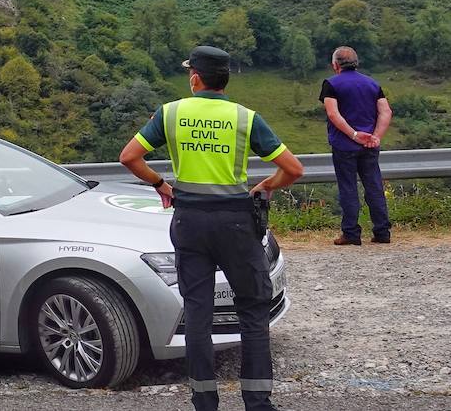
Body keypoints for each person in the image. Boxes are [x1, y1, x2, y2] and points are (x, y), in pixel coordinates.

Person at [119, 45, 305, 411]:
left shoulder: (170, 113)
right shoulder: (245, 118)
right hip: (236, 222)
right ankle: (258, 402)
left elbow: (129, 157)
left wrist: (161, 185)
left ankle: (204, 402)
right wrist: (265, 185)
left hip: (189, 221)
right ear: (225, 80)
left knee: (198, 314)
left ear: (194, 78)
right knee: (253, 310)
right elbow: (294, 169)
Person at [321, 45, 393, 245]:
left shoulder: (331, 84)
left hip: (344, 145)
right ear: (356, 63)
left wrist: (353, 134)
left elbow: (333, 114)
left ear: (335, 65)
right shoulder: (372, 84)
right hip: (369, 145)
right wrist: (375, 136)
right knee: (374, 186)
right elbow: (386, 112)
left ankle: (351, 234)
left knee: (348, 187)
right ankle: (382, 233)